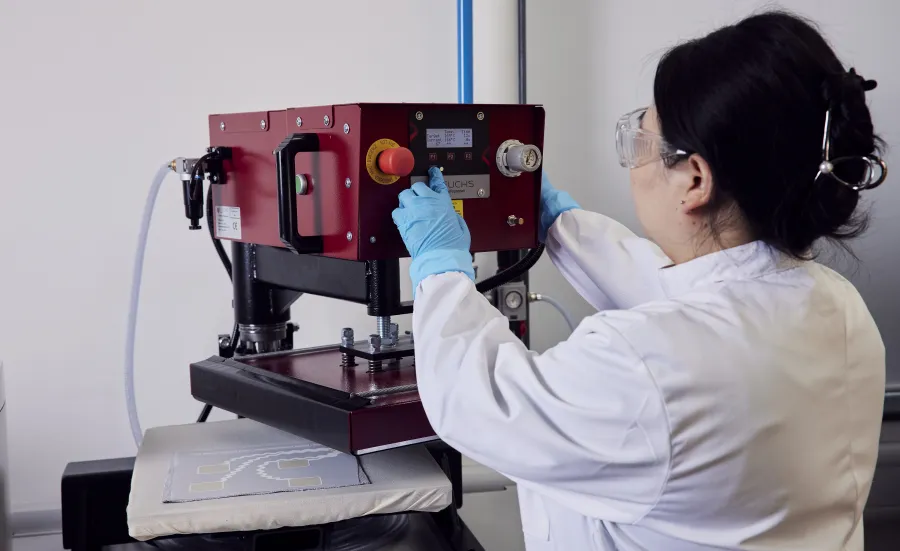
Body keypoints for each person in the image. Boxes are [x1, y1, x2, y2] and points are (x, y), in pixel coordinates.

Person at [391, 11, 888, 551]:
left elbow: (476, 399)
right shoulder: (839, 310)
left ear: (695, 180)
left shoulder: (640, 365)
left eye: (642, 142)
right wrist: (560, 224)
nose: (634, 160)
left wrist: (439, 266)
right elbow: (691, 301)